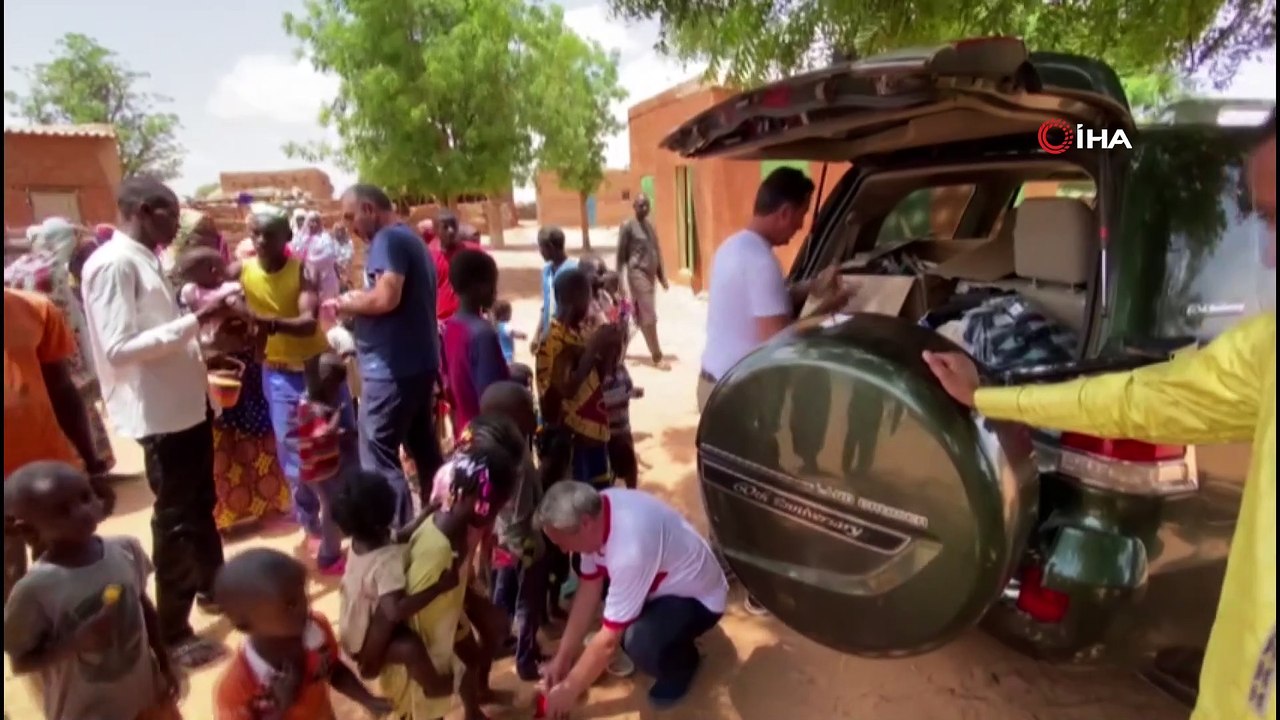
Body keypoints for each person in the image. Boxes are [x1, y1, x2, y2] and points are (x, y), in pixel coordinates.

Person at [924, 112, 1277, 720]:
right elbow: (1133, 399)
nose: (1268, 255)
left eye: (1271, 220)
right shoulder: (1267, 351)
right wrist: (990, 395)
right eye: (1265, 220)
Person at [80, 176, 229, 668]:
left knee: (200, 504)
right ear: (145, 210)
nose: (177, 222)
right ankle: (172, 630)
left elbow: (156, 328)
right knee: (177, 522)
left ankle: (214, 586)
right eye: (171, 212)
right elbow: (119, 347)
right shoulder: (114, 264)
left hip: (184, 407)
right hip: (161, 415)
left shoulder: (145, 259)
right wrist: (195, 320)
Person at [3, 461, 180, 720]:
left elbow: (144, 607)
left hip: (147, 699)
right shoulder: (33, 591)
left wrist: (165, 661)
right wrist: (74, 643)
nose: (83, 511)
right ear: (29, 529)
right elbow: (21, 662)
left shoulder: (125, 549)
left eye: (86, 497)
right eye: (63, 510)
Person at [536, 483, 728, 713]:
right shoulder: (598, 511)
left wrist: (570, 688)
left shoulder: (630, 549)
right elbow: (589, 587)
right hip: (664, 585)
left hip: (700, 599)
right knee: (621, 619)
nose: (563, 551)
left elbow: (608, 642)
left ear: (585, 523)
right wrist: (563, 659)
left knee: (638, 641)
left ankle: (684, 665)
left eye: (561, 542)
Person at [367, 439, 520, 720]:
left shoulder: (452, 527)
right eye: (493, 507)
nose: (494, 515)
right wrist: (418, 660)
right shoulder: (437, 549)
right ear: (476, 500)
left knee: (470, 660)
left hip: (446, 615)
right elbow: (406, 612)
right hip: (426, 645)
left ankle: (473, 711)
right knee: (428, 705)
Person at [328, 183, 443, 527]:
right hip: (414, 364)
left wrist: (347, 302)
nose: (350, 227)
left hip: (392, 369)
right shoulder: (409, 239)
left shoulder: (388, 241)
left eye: (351, 217)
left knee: (378, 455)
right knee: (423, 448)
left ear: (368, 209)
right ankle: (440, 526)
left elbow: (385, 298)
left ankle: (397, 536)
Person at [171, 210, 291, 535]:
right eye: (199, 240)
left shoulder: (230, 283)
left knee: (259, 439)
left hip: (244, 370)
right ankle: (225, 516)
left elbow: (253, 318)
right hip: (213, 372)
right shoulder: (183, 293)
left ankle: (269, 507)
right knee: (220, 447)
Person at [3, 290, 115, 603]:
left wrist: (93, 467)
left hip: (51, 479)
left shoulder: (36, 309)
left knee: (71, 581)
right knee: (10, 593)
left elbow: (63, 391)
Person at [240, 210, 338, 569]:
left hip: (315, 371)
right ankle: (311, 521)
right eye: (255, 235)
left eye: (269, 235)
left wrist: (262, 321)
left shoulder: (303, 272)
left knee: (326, 446)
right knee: (292, 453)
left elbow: (306, 323)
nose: (261, 241)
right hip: (278, 373)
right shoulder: (244, 272)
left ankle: (330, 520)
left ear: (286, 238)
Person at [212, 548, 392, 720]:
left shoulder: (317, 628)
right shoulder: (236, 687)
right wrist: (282, 705)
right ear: (246, 626)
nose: (306, 606)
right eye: (290, 605)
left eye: (304, 594)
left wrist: (367, 699)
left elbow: (333, 670)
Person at [4, 217, 116, 476]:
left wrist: (89, 462)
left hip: (45, 475)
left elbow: (62, 391)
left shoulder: (36, 309)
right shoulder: (51, 273)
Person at [331, 471, 458, 700]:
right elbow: (395, 610)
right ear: (385, 515)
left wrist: (427, 511)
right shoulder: (385, 563)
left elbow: (400, 536)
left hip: (351, 626)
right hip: (364, 642)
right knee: (412, 648)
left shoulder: (362, 541)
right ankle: (433, 686)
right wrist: (438, 587)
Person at [480, 381, 546, 681]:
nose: (534, 414)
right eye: (528, 410)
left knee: (501, 600)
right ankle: (526, 659)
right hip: (522, 546)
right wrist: (533, 554)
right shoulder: (516, 461)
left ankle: (497, 646)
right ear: (511, 418)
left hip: (501, 541)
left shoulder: (491, 447)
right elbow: (520, 517)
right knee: (527, 603)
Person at [535, 268, 620, 489]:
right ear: (577, 300)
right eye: (588, 297)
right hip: (572, 440)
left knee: (599, 491)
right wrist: (593, 349)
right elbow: (566, 389)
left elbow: (596, 377)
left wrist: (608, 350)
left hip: (593, 432)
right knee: (582, 498)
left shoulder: (577, 332)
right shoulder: (553, 338)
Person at [294, 352, 360, 574]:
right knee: (331, 511)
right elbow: (324, 433)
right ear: (324, 385)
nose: (336, 391)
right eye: (334, 386)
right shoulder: (315, 409)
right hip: (322, 472)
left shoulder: (308, 402)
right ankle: (328, 557)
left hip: (316, 468)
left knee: (328, 505)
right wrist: (338, 420)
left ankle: (321, 535)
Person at [442, 249, 509, 437]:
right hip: (487, 438)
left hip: (465, 432)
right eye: (492, 285)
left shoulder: (452, 327)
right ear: (478, 287)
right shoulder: (482, 334)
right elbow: (492, 399)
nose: (495, 293)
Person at [616, 194, 669, 367]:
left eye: (646, 205)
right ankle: (657, 356)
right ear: (634, 206)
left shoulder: (650, 225)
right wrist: (620, 282)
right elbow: (620, 255)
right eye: (640, 205)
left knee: (638, 318)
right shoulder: (628, 227)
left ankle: (618, 352)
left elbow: (656, 251)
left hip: (650, 276)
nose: (644, 209)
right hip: (637, 274)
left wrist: (662, 277)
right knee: (649, 315)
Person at [430, 210, 486, 321]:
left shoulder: (473, 252)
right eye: (445, 227)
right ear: (435, 230)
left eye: (453, 226)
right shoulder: (427, 256)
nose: (451, 231)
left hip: (470, 318)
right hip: (441, 322)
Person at [531, 226, 578, 350]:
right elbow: (545, 306)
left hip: (567, 338)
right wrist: (537, 334)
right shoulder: (546, 271)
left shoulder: (573, 270)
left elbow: (571, 309)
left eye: (541, 247)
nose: (540, 251)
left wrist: (552, 334)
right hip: (549, 336)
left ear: (551, 248)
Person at [291, 209, 342, 313]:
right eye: (310, 221)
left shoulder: (325, 238)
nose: (312, 224)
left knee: (326, 309)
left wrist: (309, 260)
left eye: (315, 221)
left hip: (325, 280)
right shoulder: (301, 238)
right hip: (306, 279)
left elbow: (328, 257)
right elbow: (294, 253)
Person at [492, 299, 525, 364]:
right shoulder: (506, 326)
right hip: (507, 356)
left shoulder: (495, 326)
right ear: (504, 314)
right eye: (510, 312)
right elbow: (512, 333)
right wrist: (522, 335)